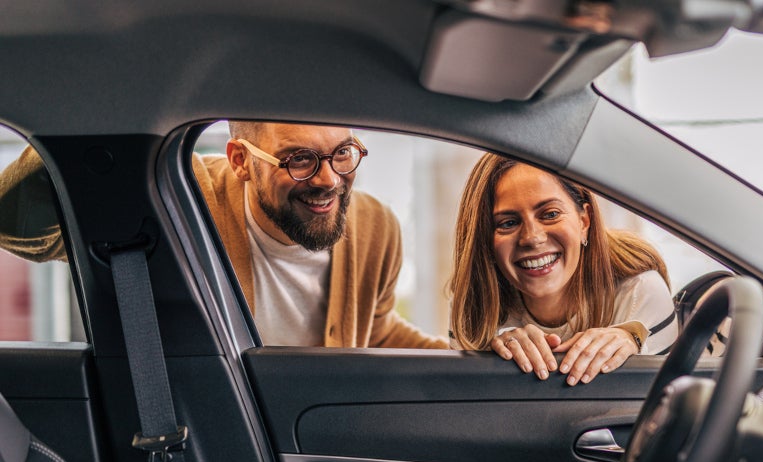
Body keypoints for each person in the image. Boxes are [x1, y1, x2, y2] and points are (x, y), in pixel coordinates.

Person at [0, 122, 447, 349]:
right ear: (239, 160)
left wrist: (479, 353)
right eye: (299, 159)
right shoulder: (175, 194)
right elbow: (18, 228)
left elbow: (377, 329)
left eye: (343, 153)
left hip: (306, 452)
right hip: (194, 451)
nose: (329, 179)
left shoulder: (376, 227)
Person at [450, 154, 678, 384]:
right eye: (508, 223)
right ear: (484, 241)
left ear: (584, 221)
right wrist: (495, 355)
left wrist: (631, 341)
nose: (532, 238)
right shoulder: (475, 306)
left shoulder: (640, 292)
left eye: (550, 214)